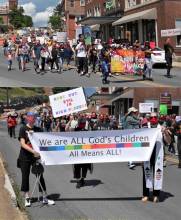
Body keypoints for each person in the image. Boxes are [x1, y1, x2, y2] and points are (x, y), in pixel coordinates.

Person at [17, 112, 55, 207]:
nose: (32, 119)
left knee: (40, 175)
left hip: (35, 157)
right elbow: (22, 144)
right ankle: (27, 198)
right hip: (25, 157)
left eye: (34, 117)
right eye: (30, 117)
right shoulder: (23, 129)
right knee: (25, 176)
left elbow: (44, 141)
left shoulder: (38, 129)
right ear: (27, 118)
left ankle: (44, 197)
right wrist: (33, 151)